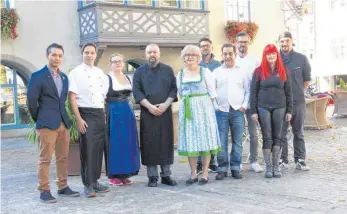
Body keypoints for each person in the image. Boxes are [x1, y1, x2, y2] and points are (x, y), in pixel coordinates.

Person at [27, 43, 79, 203]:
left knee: (63, 158)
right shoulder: (37, 76)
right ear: (47, 56)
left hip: (63, 122)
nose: (57, 58)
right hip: (46, 124)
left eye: (59, 55)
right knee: (45, 159)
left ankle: (63, 187)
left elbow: (62, 100)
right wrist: (40, 120)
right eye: (54, 55)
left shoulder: (64, 77)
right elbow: (31, 102)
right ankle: (44, 190)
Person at [132, 43, 178, 187]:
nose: (152, 54)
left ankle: (166, 175)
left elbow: (173, 89)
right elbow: (137, 91)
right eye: (149, 52)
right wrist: (150, 107)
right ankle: (152, 177)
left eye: (155, 52)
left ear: (159, 54)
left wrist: (165, 105)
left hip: (165, 112)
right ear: (146, 55)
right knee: (149, 144)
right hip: (148, 113)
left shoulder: (168, 70)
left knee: (165, 143)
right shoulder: (139, 72)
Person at [68, 43, 110, 197]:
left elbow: (103, 97)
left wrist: (104, 116)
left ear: (96, 54)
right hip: (85, 114)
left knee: (98, 149)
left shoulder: (100, 72)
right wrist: (78, 119)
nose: (89, 55)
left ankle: (95, 182)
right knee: (88, 150)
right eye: (87, 52)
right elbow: (72, 98)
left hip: (99, 114)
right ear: (82, 53)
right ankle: (87, 185)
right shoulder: (75, 73)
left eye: (92, 52)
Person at [177, 45, 221, 185]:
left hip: (203, 110)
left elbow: (212, 93)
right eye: (187, 55)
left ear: (198, 57)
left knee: (204, 140)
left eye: (193, 55)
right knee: (191, 141)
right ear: (184, 58)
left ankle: (205, 173)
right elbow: (180, 92)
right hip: (187, 110)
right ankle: (193, 173)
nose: (190, 57)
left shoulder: (205, 71)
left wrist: (206, 109)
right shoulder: (180, 74)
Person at [250, 44, 293, 178]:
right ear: (265, 55)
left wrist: (289, 110)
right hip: (263, 108)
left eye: (273, 53)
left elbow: (289, 92)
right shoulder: (258, 71)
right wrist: (254, 111)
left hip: (280, 107)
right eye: (268, 53)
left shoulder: (284, 70)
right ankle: (268, 167)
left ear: (276, 54)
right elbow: (253, 93)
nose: (271, 55)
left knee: (278, 136)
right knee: (267, 136)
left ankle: (276, 166)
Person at [213, 44, 249, 180]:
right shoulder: (216, 72)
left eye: (230, 53)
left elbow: (248, 90)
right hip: (221, 111)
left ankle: (235, 167)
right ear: (221, 55)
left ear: (234, 54)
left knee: (237, 141)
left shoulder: (242, 71)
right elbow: (212, 92)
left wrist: (244, 106)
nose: (228, 56)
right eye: (225, 54)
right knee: (221, 142)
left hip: (237, 111)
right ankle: (222, 168)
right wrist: (216, 106)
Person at [105, 54, 141, 186]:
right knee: (115, 142)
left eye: (120, 61)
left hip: (127, 111)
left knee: (127, 141)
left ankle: (125, 173)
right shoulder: (107, 78)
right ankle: (114, 175)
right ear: (111, 64)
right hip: (114, 112)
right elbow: (102, 97)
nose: (118, 63)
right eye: (115, 61)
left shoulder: (127, 77)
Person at [279, 31, 311, 171]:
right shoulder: (274, 59)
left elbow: (307, 80)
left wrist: (296, 93)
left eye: (287, 40)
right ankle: (282, 160)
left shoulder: (301, 58)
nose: (284, 43)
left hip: (298, 102)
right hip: (281, 103)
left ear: (292, 41)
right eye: (282, 41)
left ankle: (300, 159)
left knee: (298, 132)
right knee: (281, 133)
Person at [235, 32, 263, 173]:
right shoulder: (232, 61)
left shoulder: (255, 61)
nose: (242, 44)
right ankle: (238, 161)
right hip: (237, 104)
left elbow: (259, 81)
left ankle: (254, 161)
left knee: (254, 133)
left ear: (248, 43)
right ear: (236, 43)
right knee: (238, 133)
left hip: (252, 102)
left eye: (245, 42)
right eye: (240, 42)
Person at [196, 37, 222, 173]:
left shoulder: (218, 65)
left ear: (211, 48)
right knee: (202, 133)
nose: (204, 48)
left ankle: (212, 161)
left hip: (216, 104)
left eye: (207, 46)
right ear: (199, 49)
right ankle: (200, 163)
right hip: (200, 106)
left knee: (213, 133)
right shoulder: (196, 65)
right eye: (202, 46)